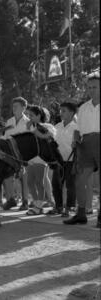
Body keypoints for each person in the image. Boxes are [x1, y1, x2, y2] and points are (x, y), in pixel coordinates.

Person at [64, 71, 100, 227]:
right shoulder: (83, 108)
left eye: (95, 87)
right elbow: (78, 129)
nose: (92, 90)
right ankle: (81, 214)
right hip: (85, 145)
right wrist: (75, 139)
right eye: (90, 87)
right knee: (80, 180)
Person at [48, 102, 78, 215]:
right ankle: (58, 206)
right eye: (61, 110)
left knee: (70, 185)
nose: (61, 113)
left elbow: (80, 144)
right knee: (56, 184)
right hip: (58, 161)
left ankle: (69, 208)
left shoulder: (77, 127)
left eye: (64, 111)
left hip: (71, 161)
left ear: (71, 113)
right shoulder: (57, 126)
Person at [25, 105, 55, 215]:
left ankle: (38, 207)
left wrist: (33, 129)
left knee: (39, 181)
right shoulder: (29, 126)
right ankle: (37, 203)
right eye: (28, 115)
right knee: (29, 182)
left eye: (31, 115)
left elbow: (48, 136)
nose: (29, 117)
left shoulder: (47, 126)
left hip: (41, 158)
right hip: (30, 157)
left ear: (38, 115)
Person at [3, 97, 30, 210]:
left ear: (24, 108)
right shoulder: (9, 121)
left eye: (16, 106)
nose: (13, 108)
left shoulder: (29, 122)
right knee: (8, 177)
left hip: (24, 155)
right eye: (13, 106)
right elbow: (5, 137)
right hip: (10, 155)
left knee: (24, 178)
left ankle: (25, 202)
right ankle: (11, 200)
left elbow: (30, 141)